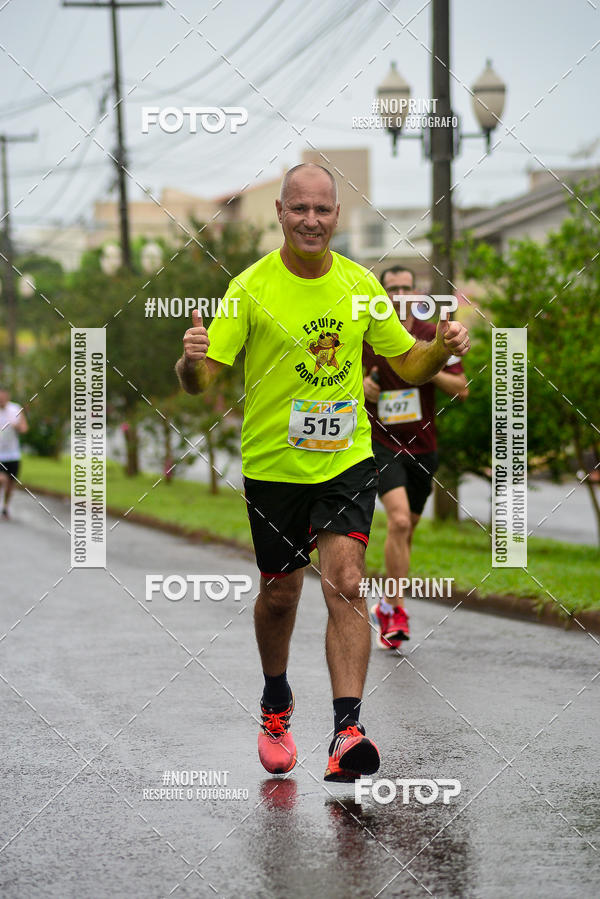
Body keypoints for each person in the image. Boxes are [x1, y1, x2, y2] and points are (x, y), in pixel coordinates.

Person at [175, 164, 470, 782]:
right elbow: (205, 380)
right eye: (300, 209)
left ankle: (347, 730)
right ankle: (277, 701)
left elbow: (409, 365)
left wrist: (441, 347)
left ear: (337, 216)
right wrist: (189, 362)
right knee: (281, 594)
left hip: (347, 462)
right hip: (274, 468)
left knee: (345, 582)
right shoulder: (250, 288)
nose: (312, 220)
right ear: (279, 213)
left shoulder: (361, 285)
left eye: (324, 210)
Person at [363, 266, 469, 649]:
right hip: (382, 442)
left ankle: (386, 605)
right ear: (382, 294)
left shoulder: (431, 334)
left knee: (404, 535)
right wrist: (363, 387)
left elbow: (462, 388)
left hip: (424, 447)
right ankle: (395, 609)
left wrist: (429, 364)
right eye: (392, 289)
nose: (400, 294)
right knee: (400, 521)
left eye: (407, 288)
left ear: (416, 293)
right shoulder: (368, 335)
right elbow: (339, 380)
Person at [0, 388, 28, 520]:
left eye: (4, 397)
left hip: (13, 454)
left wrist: (16, 426)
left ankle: (5, 507)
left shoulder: (15, 409)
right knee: (2, 479)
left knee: (10, 484)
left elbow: (24, 428)